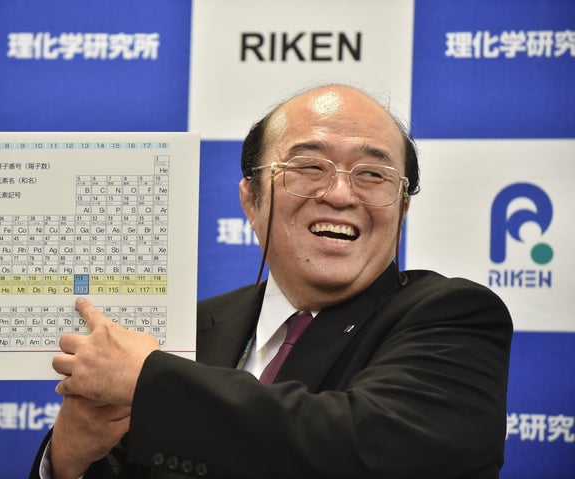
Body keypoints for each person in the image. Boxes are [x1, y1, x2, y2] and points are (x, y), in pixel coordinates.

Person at [30, 84, 513, 479]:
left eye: (372, 174)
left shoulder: (453, 316)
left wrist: (147, 381)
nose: (341, 193)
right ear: (251, 200)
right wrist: (70, 458)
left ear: (402, 207)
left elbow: (373, 448)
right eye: (308, 167)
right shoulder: (188, 332)